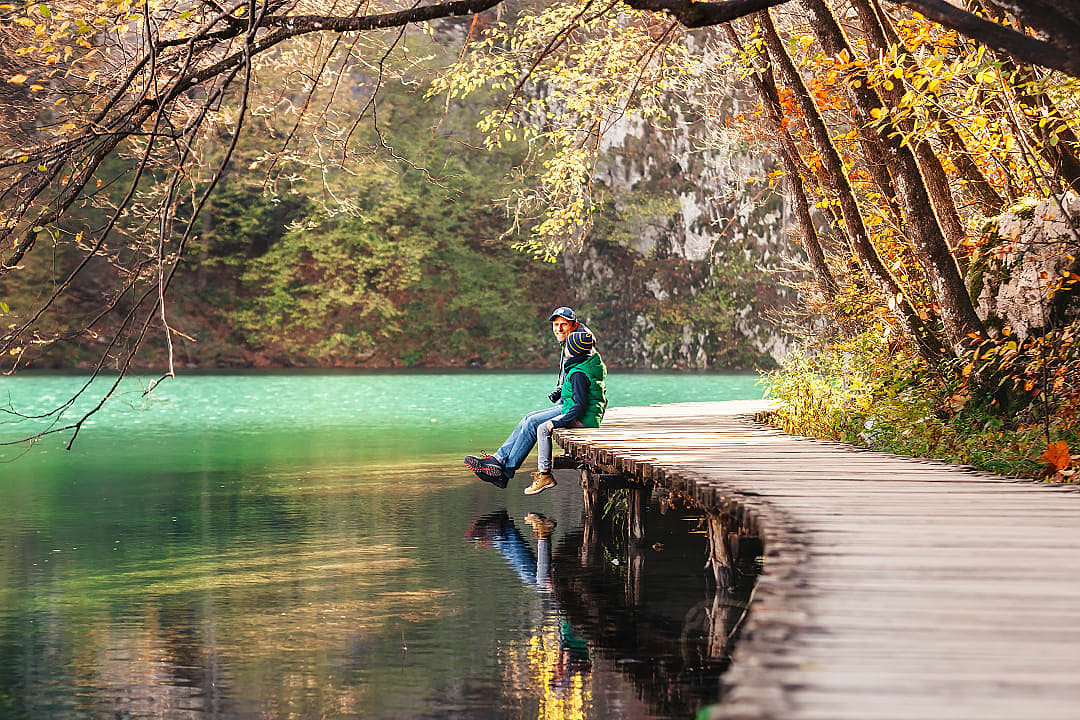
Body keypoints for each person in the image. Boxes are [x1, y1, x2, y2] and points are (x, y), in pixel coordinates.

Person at [464, 307, 597, 490]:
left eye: (563, 325)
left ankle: (504, 471)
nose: (558, 329)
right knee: (528, 417)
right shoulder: (574, 340)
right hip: (569, 401)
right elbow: (575, 375)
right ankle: (498, 460)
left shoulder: (578, 345)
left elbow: (582, 379)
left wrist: (567, 398)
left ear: (573, 325)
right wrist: (560, 389)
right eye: (555, 325)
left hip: (575, 407)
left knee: (533, 422)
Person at [525, 330, 607, 495]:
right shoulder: (586, 365)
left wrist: (555, 423)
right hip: (589, 416)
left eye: (568, 346)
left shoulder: (578, 373)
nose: (565, 349)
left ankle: (545, 474)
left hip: (584, 419)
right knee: (536, 421)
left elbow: (580, 405)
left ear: (574, 350)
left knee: (543, 428)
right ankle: (544, 474)